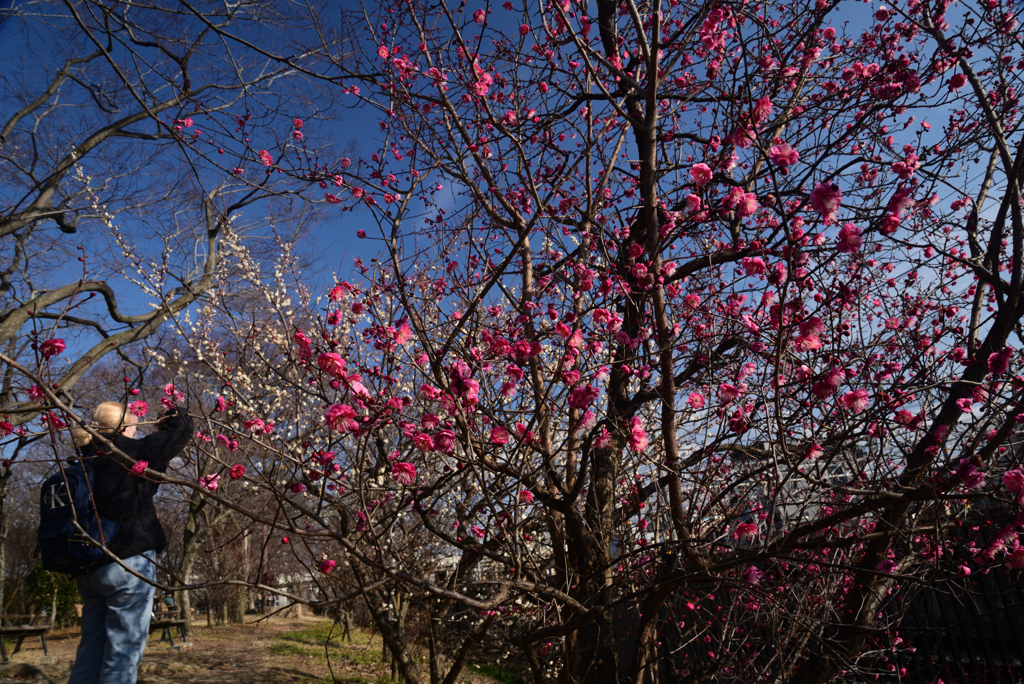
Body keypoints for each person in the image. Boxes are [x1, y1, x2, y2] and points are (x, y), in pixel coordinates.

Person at [67, 401, 192, 684]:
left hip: (89, 569)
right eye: (134, 428)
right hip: (128, 563)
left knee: (90, 655)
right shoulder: (129, 452)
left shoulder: (84, 458)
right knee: (121, 658)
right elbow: (182, 429)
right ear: (124, 428)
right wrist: (174, 410)